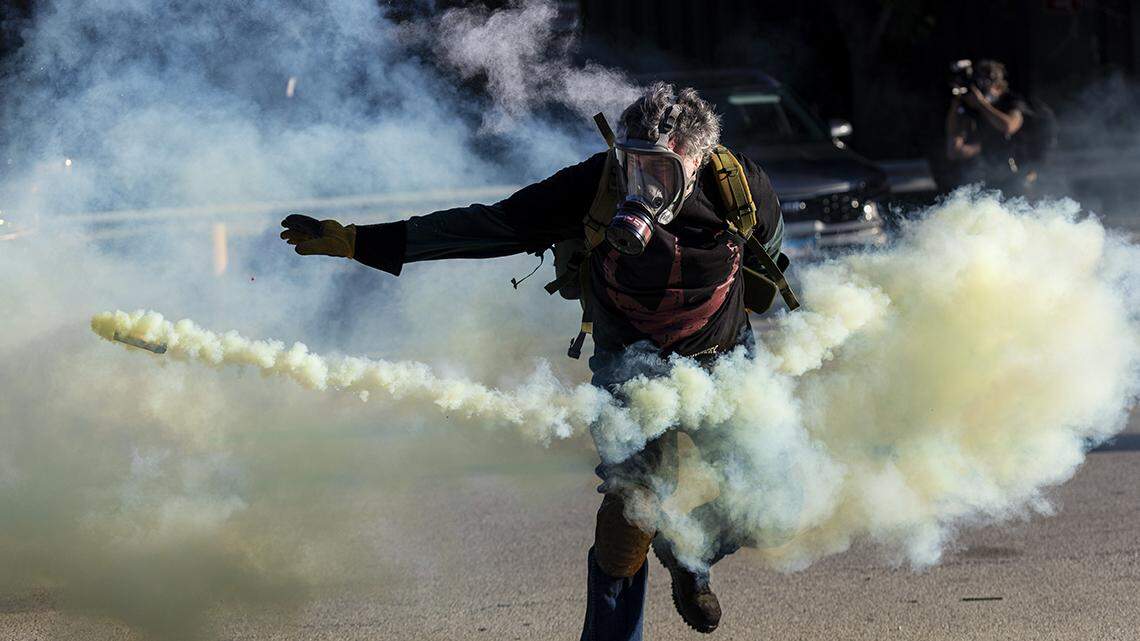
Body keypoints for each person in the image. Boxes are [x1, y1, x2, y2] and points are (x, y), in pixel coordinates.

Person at [279, 82, 788, 640]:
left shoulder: (742, 187)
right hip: (631, 365)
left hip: (722, 359)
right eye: (631, 163)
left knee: (769, 504)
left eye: (658, 169)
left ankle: (690, 550)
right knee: (628, 522)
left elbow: (769, 258)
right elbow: (493, 225)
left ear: (695, 164)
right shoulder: (596, 184)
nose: (639, 184)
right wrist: (362, 241)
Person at [944, 59, 1032, 193]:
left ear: (998, 86)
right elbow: (954, 150)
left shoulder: (1011, 101)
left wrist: (982, 104)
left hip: (1016, 173)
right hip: (984, 176)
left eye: (986, 83)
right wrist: (957, 104)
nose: (981, 89)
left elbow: (1009, 126)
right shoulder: (970, 107)